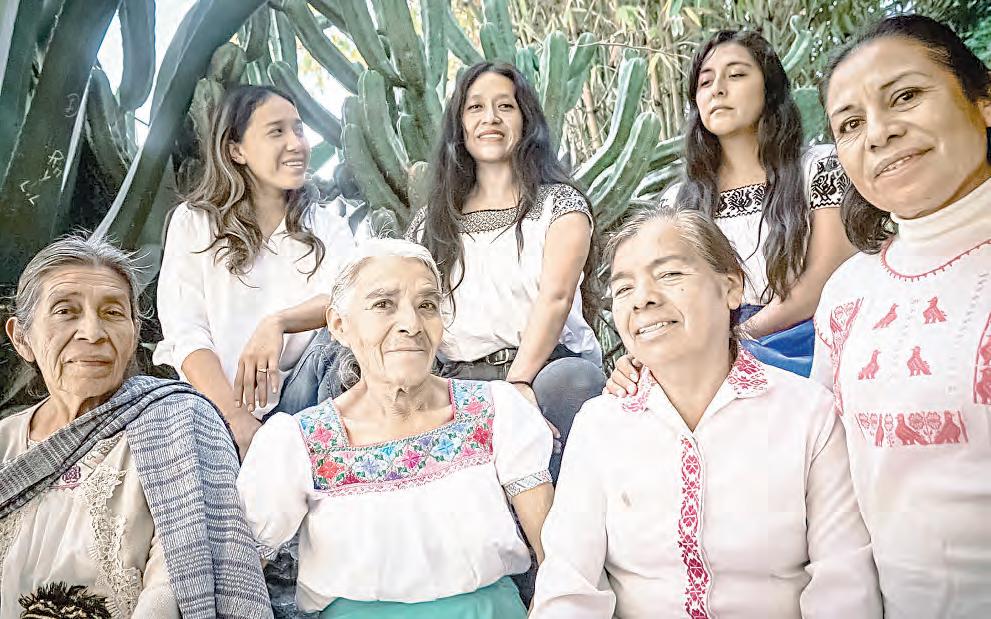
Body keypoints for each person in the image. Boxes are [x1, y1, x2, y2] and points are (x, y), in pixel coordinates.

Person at [530, 205, 881, 618]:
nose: (643, 298)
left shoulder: (807, 415)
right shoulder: (600, 426)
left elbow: (843, 584)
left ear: (731, 288)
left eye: (669, 274)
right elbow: (569, 587)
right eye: (623, 288)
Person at [237, 238, 554, 618]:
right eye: (383, 305)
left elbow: (557, 558)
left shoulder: (496, 410)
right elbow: (239, 576)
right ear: (339, 325)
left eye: (427, 305)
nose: (411, 324)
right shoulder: (299, 443)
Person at [813, 15, 991, 617]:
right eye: (850, 124)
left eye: (906, 96)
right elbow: (831, 484)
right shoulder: (846, 294)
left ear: (983, 100)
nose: (879, 133)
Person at [0, 236, 271, 618]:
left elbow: (175, 585)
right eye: (66, 311)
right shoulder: (5, 442)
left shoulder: (177, 423)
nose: (92, 332)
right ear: (21, 338)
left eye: (112, 312)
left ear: (134, 332)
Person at [609, 30, 855, 386]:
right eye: (705, 82)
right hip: (709, 345)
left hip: (807, 340)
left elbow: (824, 279)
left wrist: (734, 339)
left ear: (769, 88)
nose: (718, 90)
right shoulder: (678, 202)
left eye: (736, 74)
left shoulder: (819, 168)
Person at [405, 61, 604, 481]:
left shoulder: (560, 206)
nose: (490, 118)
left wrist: (517, 386)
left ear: (525, 120)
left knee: (574, 382)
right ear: (460, 125)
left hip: (543, 370)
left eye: (505, 106)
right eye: (475, 107)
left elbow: (556, 298)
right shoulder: (431, 222)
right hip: (458, 378)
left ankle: (565, 517)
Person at [154, 85, 354, 457]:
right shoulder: (194, 223)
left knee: (343, 341)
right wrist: (236, 420)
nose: (296, 143)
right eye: (276, 131)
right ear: (236, 150)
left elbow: (348, 300)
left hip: (306, 403)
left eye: (298, 129)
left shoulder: (327, 225)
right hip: (216, 410)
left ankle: (331, 463)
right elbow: (187, 333)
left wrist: (277, 323)